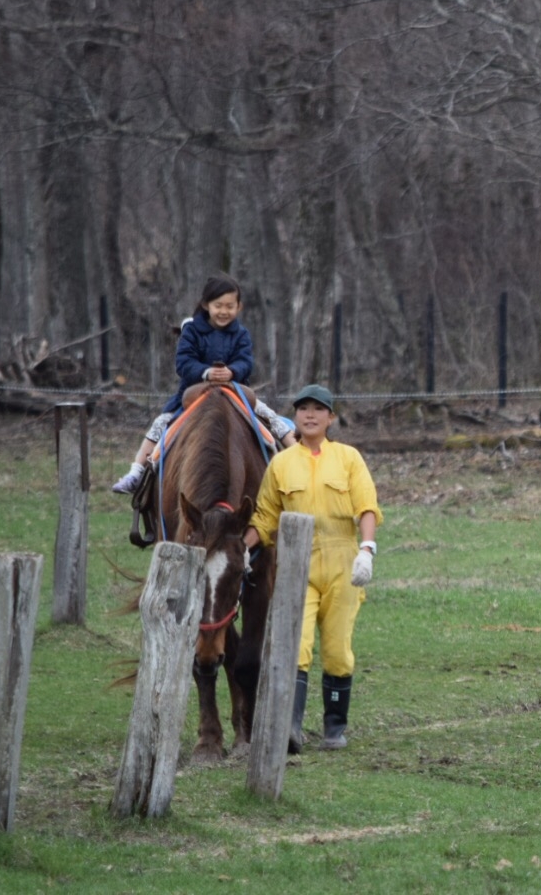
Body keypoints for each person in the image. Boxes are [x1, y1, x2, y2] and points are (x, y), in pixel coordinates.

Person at [246, 384, 381, 752]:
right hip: (295, 563)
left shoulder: (349, 458)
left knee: (337, 650)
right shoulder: (281, 463)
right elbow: (264, 517)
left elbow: (366, 506)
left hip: (342, 561)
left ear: (330, 418)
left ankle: (334, 729)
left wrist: (366, 549)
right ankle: (290, 727)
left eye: (318, 410)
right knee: (297, 645)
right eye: (303, 409)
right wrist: (243, 550)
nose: (309, 415)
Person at [112, 275, 293, 494]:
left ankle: (298, 462)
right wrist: (205, 373)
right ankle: (137, 471)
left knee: (271, 419)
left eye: (229, 306)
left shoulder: (241, 334)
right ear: (206, 305)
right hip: (194, 392)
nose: (224, 311)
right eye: (218, 306)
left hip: (235, 391)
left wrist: (232, 371)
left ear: (239, 307)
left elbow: (246, 361)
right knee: (162, 424)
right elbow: (184, 362)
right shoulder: (192, 331)